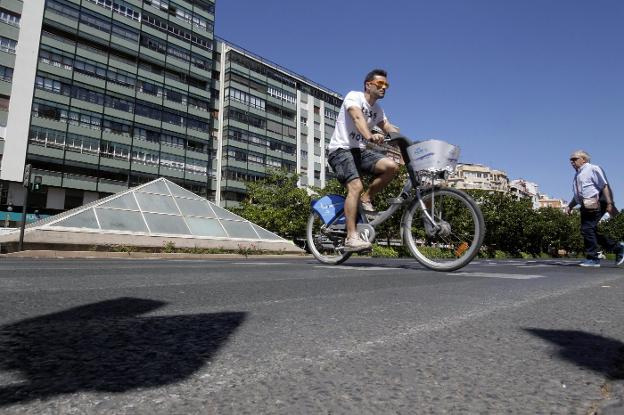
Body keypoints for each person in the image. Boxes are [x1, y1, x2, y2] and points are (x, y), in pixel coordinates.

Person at [327, 69, 400, 252]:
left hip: (359, 152)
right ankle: (351, 237)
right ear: (369, 85)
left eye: (386, 85)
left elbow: (388, 126)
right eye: (380, 84)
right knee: (355, 187)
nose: (384, 88)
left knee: (391, 167)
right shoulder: (355, 97)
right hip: (341, 150)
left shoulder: (377, 110)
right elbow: (357, 117)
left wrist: (405, 142)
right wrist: (369, 135)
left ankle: (367, 198)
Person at [564, 150, 624, 267]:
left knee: (587, 229)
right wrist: (569, 206)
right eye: (570, 160)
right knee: (590, 231)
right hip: (585, 206)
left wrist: (609, 203)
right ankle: (618, 248)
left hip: (596, 204)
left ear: (584, 160)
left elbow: (604, 185)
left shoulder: (593, 169)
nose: (572, 162)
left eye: (574, 159)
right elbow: (578, 196)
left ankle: (593, 258)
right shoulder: (578, 174)